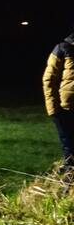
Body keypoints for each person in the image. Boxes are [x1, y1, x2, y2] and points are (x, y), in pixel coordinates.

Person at [43, 29, 74, 188]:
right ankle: (68, 189)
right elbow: (49, 79)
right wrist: (53, 110)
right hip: (67, 111)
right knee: (70, 150)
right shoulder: (63, 48)